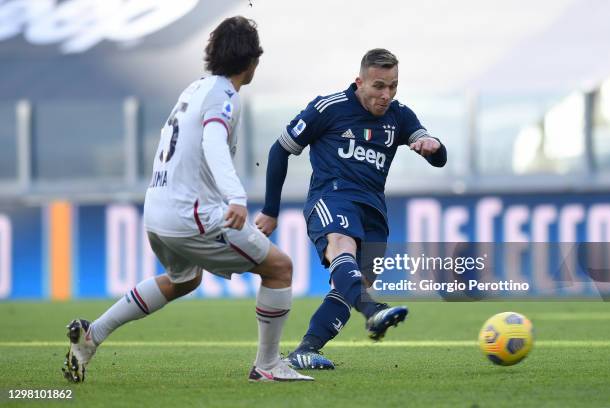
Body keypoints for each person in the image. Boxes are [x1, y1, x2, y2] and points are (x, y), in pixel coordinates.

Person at [62, 16, 312, 383]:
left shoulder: (194, 90)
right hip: (191, 215)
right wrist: (236, 197)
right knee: (279, 269)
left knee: (184, 280)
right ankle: (268, 365)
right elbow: (212, 142)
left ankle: (91, 336)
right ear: (253, 60)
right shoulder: (223, 95)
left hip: (158, 210)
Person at [255, 48, 447, 370]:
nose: (386, 95)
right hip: (332, 197)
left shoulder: (399, 116)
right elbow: (280, 150)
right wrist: (271, 210)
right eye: (379, 86)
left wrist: (433, 147)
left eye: (393, 86)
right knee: (341, 247)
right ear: (360, 82)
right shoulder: (327, 108)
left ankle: (306, 349)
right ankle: (373, 312)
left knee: (354, 284)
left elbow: (436, 154)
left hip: (373, 210)